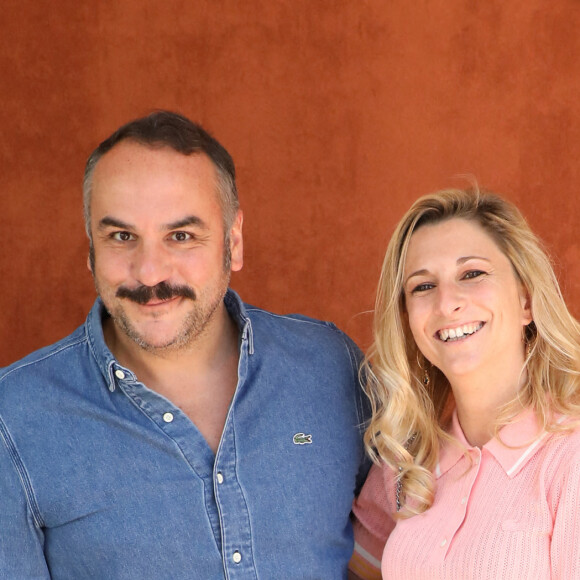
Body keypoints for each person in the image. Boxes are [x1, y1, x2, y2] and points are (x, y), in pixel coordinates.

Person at [0, 111, 369, 579]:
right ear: (90, 247)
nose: (150, 272)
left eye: (181, 236)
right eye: (121, 236)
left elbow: (402, 545)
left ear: (233, 242)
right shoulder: (12, 420)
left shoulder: (328, 366)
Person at [349, 188, 580, 579]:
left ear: (526, 301)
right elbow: (349, 565)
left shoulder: (569, 455)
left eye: (472, 274)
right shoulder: (406, 461)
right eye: (423, 286)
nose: (446, 303)